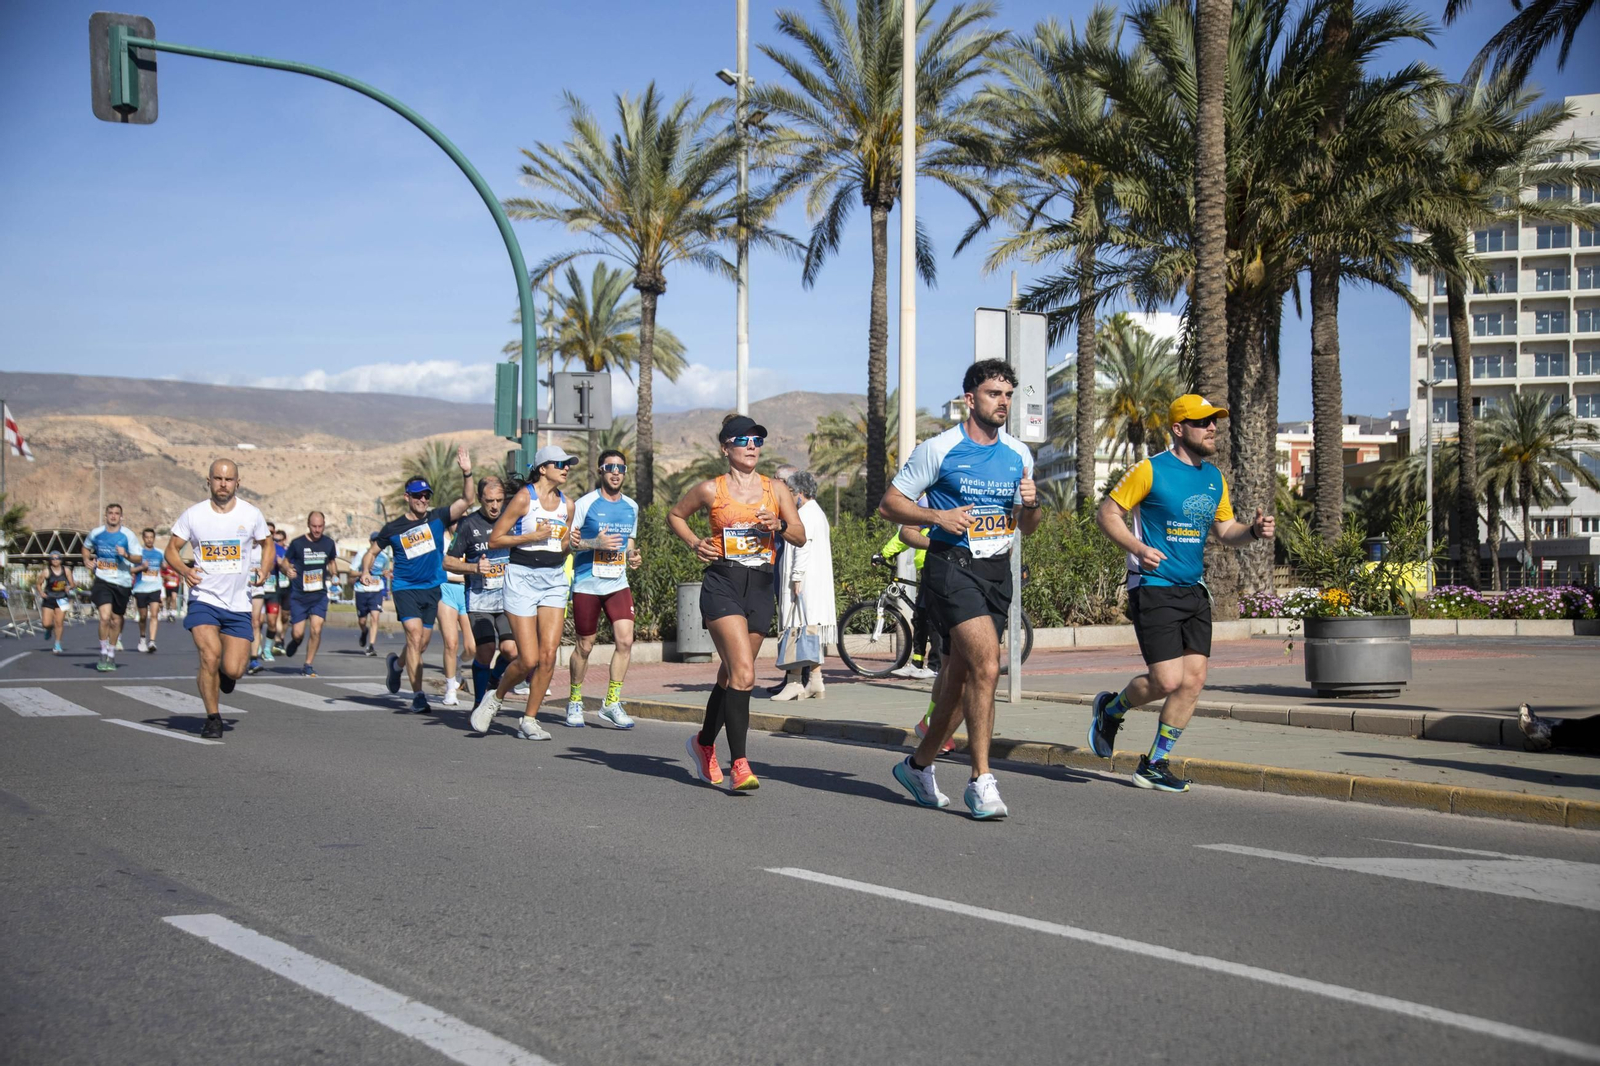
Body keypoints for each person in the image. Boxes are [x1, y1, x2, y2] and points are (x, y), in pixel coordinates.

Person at [881, 359, 1040, 820]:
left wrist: (1032, 505)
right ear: (970, 399)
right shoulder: (939, 449)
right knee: (988, 666)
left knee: (961, 679)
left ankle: (918, 765)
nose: (1003, 403)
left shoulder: (1018, 454)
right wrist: (937, 517)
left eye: (1008, 395)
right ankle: (981, 780)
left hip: (996, 572)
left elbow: (1027, 526)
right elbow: (890, 503)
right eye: (994, 394)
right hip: (952, 568)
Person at [1090, 394, 1273, 793]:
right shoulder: (1150, 470)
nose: (1212, 428)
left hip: (1193, 590)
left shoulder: (1213, 478)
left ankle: (1155, 763)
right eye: (1202, 421)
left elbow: (1226, 532)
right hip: (1153, 587)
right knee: (1167, 680)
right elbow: (1107, 513)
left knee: (1193, 680)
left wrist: (1254, 532)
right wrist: (1138, 549)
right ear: (1178, 428)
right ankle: (1111, 709)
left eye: (1214, 422)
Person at [668, 415, 806, 791]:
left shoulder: (775, 490)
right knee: (745, 673)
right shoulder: (711, 490)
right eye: (743, 440)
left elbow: (800, 535)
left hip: (761, 585)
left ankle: (703, 743)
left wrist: (777, 526)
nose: (752, 446)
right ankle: (740, 764)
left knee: (730, 677)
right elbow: (675, 515)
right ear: (725, 447)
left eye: (758, 440)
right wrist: (696, 543)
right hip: (723, 582)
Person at [468, 447, 577, 739]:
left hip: (554, 577)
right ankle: (495, 696)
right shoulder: (523, 498)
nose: (566, 468)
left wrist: (576, 543)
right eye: (561, 464)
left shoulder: (568, 504)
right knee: (527, 659)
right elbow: (495, 539)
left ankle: (529, 719)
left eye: (569, 465)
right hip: (522, 577)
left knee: (549, 655)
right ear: (543, 468)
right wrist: (531, 536)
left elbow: (563, 545)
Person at [361, 445, 476, 713]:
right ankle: (418, 695)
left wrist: (467, 473)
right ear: (407, 498)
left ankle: (397, 665)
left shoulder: (438, 517)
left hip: (431, 589)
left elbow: (467, 501)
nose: (423, 499)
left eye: (426, 495)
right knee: (413, 636)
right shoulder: (393, 528)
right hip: (405, 588)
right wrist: (367, 571)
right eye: (418, 496)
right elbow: (372, 551)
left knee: (421, 644)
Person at [166, 459, 273, 739]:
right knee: (209, 655)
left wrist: (265, 568)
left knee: (235, 670)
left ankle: (224, 675)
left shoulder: (251, 514)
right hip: (205, 598)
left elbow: (268, 544)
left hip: (238, 603)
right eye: (217, 478)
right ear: (208, 481)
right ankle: (213, 717)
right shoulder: (194, 515)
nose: (222, 484)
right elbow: (171, 550)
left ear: (238, 482)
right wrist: (184, 570)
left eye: (228, 479)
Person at [565, 449, 641, 729]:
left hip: (617, 582)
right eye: (610, 467)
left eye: (621, 468)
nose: (616, 472)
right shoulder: (585, 504)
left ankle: (611, 702)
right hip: (587, 582)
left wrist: (633, 557)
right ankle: (574, 701)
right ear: (600, 470)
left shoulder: (631, 507)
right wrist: (594, 544)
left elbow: (629, 544)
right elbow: (569, 544)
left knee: (625, 641)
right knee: (585, 646)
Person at [445, 476, 518, 709]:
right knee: (485, 652)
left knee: (511, 650)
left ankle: (494, 680)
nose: (495, 506)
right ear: (480, 499)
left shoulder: (512, 517)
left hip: (508, 599)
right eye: (489, 501)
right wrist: (473, 567)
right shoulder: (468, 525)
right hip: (479, 601)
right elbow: (448, 562)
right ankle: (478, 705)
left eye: (499, 500)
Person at [771, 470, 836, 701]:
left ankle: (795, 681)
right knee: (809, 630)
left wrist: (796, 577)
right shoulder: (816, 512)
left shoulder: (806, 514)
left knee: (796, 629)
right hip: (813, 581)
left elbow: (802, 547)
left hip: (803, 582)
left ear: (799, 493)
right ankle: (816, 681)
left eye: (790, 493)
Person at [278, 511, 350, 678]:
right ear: (308, 526)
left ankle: (308, 664)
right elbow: (284, 563)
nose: (317, 530)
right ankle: (296, 642)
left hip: (319, 595)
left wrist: (334, 575)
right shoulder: (297, 543)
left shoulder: (328, 543)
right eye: (314, 526)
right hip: (299, 595)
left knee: (316, 630)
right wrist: (287, 570)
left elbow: (332, 562)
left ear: (324, 525)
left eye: (320, 526)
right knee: (298, 633)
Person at [83, 503, 145, 672]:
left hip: (122, 582)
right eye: (110, 513)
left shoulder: (128, 535)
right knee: (104, 617)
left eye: (117, 513)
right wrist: (86, 559)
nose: (113, 516)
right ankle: (103, 653)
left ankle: (111, 653)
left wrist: (125, 554)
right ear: (106, 515)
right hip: (102, 580)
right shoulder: (96, 533)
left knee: (116, 619)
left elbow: (138, 558)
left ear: (121, 517)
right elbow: (85, 547)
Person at [436, 530, 474, 708]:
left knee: (472, 647)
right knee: (451, 643)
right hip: (446, 590)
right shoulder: (439, 539)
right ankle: (451, 689)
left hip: (467, 591)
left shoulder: (470, 536)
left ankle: (458, 663)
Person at [354, 537, 391, 657]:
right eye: (373, 541)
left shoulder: (384, 557)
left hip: (376, 590)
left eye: (378, 541)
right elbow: (352, 572)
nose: (375, 543)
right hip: (362, 590)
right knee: (362, 620)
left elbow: (386, 571)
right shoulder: (361, 554)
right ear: (369, 542)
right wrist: (364, 573)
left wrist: (386, 574)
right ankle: (364, 631)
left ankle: (371, 646)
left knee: (375, 617)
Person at [134, 528, 165, 653]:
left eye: (151, 537)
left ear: (154, 538)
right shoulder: (137, 553)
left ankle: (152, 641)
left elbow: (163, 566)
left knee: (154, 614)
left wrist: (164, 566)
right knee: (142, 616)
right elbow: (131, 570)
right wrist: (142, 567)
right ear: (143, 538)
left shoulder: (159, 553)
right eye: (147, 537)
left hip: (155, 587)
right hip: (140, 588)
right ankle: (142, 638)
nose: (149, 539)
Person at [36, 551, 72, 655]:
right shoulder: (46, 571)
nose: (55, 560)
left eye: (57, 558)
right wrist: (41, 592)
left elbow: (72, 583)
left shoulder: (66, 571)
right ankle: (49, 629)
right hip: (49, 598)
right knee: (46, 623)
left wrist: (69, 586)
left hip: (63, 598)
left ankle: (57, 644)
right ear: (50, 560)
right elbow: (38, 584)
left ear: (61, 560)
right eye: (53, 558)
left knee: (59, 622)